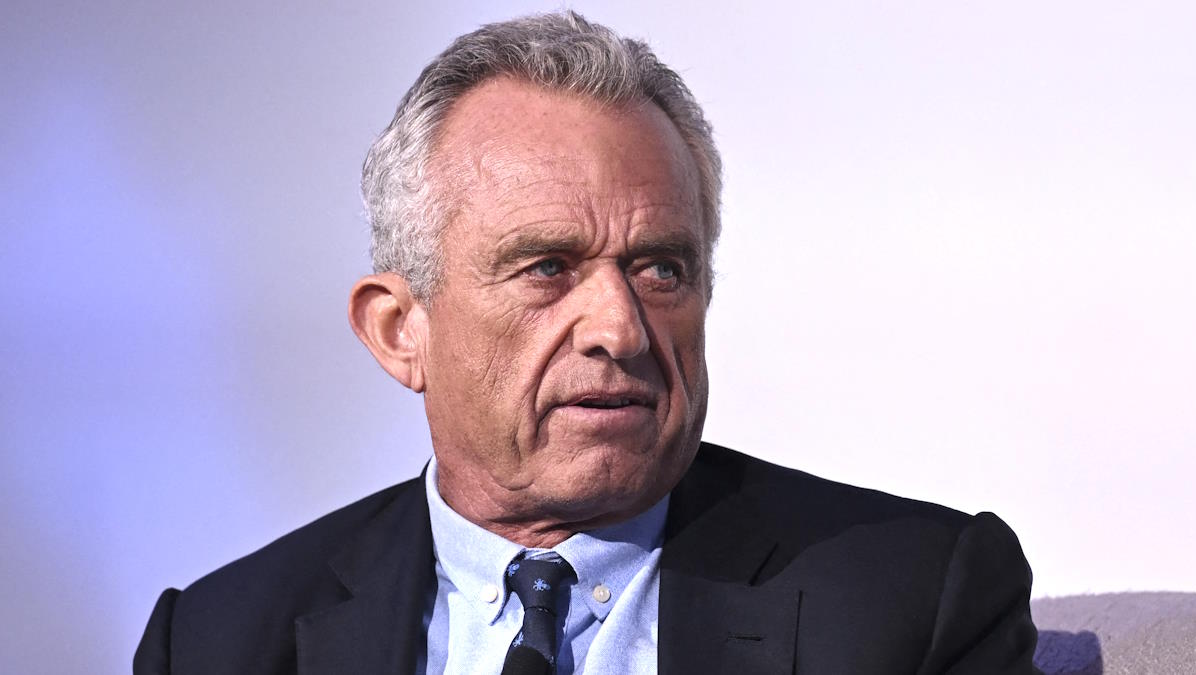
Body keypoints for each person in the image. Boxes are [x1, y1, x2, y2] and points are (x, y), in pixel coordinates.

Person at [134, 11, 1040, 675]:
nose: (619, 328)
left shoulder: (913, 600)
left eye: (662, 269)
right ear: (400, 329)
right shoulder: (220, 642)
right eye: (546, 267)